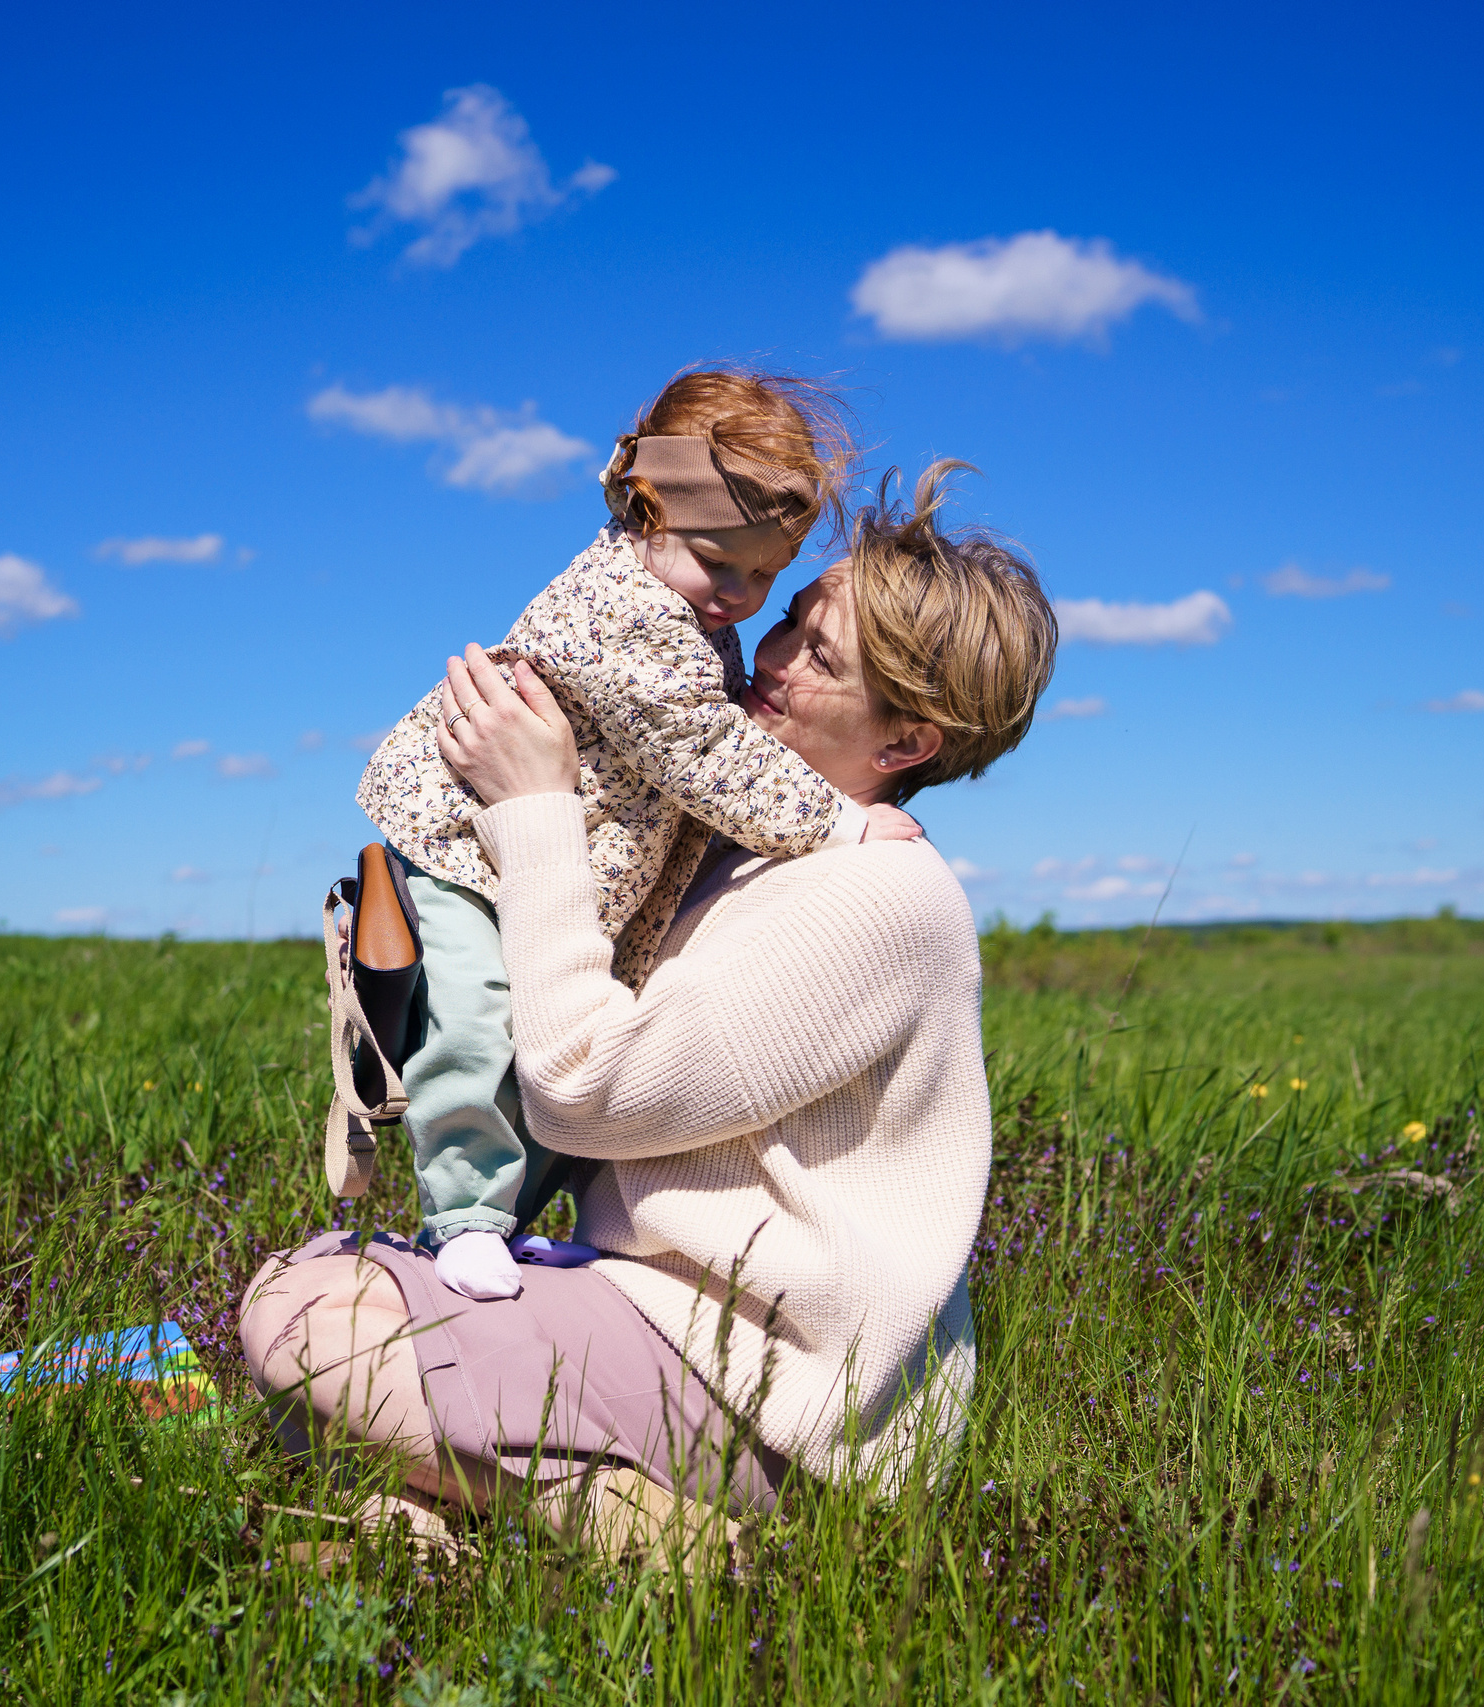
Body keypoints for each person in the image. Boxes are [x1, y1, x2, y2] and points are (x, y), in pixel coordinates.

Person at [240, 465, 1060, 1547]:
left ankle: (689, 1544)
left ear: (905, 744)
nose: (765, 655)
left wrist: (534, 808)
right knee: (328, 1300)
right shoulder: (733, 854)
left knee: (306, 1318)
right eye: (791, 622)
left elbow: (584, 1096)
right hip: (655, 1317)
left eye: (817, 655)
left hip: (784, 1397)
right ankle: (506, 1510)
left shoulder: (879, 897)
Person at [350, 368, 919, 1305]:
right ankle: (462, 1215)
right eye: (716, 558)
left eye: (765, 576)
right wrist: (841, 825)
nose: (739, 594)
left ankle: (502, 1225)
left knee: (551, 1050)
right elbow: (702, 749)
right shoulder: (625, 609)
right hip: (462, 846)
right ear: (645, 509)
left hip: (527, 856)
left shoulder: (685, 606)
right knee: (480, 1019)